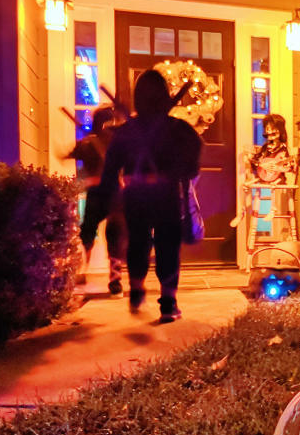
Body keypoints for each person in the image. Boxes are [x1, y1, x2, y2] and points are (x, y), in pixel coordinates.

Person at [98, 70, 201, 323]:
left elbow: (112, 166)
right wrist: (180, 173)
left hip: (136, 194)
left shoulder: (127, 131)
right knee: (167, 245)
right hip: (166, 193)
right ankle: (168, 303)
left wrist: (111, 195)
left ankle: (136, 289)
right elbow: (194, 157)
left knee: (138, 243)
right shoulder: (178, 129)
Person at [67, 106, 126, 295]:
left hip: (108, 192)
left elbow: (69, 155)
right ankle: (90, 271)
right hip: (106, 192)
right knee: (98, 231)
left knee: (106, 232)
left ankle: (109, 277)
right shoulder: (94, 143)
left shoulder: (107, 141)